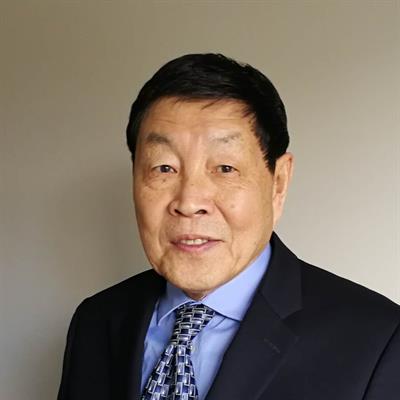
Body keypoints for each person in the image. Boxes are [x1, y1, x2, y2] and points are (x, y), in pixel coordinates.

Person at [57, 53, 400, 400]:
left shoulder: (380, 340)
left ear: (278, 182)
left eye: (225, 168)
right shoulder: (96, 320)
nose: (189, 202)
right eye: (163, 168)